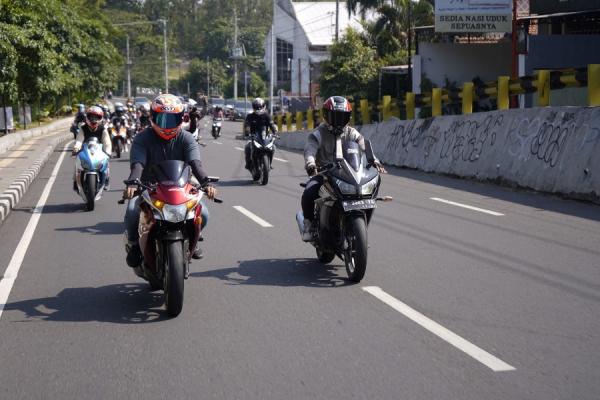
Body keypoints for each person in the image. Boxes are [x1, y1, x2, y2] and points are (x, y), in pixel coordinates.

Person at [122, 94, 217, 267]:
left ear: (182, 118)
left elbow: (196, 164)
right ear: (152, 117)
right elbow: (138, 164)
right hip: (148, 187)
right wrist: (132, 181)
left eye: (172, 119)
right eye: (162, 119)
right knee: (131, 211)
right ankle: (135, 245)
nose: (167, 125)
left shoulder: (186, 138)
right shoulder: (142, 138)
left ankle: (191, 241)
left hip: (181, 187)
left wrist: (206, 182)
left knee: (203, 213)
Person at [301, 96, 386, 241]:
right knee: (309, 192)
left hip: (347, 174)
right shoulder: (318, 134)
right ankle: (308, 223)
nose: (339, 120)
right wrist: (311, 164)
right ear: (326, 116)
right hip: (324, 174)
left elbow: (364, 146)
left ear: (348, 117)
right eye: (335, 116)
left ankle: (359, 226)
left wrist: (374, 161)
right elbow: (310, 150)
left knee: (370, 187)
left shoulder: (351, 132)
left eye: (342, 116)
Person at [72, 106, 112, 190]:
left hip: (99, 151)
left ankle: (107, 179)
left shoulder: (103, 129)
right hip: (85, 150)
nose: (93, 119)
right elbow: (79, 140)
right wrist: (76, 147)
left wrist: (108, 152)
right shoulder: (83, 128)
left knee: (106, 162)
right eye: (91, 117)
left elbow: (107, 142)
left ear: (100, 118)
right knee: (77, 162)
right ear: (87, 117)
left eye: (96, 117)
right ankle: (76, 180)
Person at [243, 97, 278, 170]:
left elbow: (271, 125)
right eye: (256, 107)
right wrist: (247, 133)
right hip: (253, 137)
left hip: (265, 137)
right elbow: (247, 126)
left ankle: (269, 163)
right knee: (247, 147)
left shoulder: (267, 115)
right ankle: (248, 164)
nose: (258, 109)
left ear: (263, 106)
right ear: (253, 107)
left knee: (273, 147)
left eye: (260, 107)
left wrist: (275, 132)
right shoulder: (250, 116)